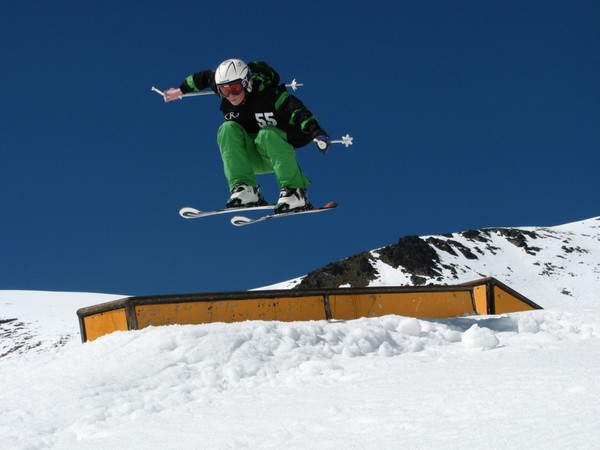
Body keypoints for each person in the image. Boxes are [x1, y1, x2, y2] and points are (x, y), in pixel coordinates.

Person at [164, 59, 330, 214]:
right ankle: (245, 190)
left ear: (247, 83)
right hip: (249, 156)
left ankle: (295, 192)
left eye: (235, 88)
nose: (231, 96)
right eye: (224, 90)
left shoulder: (270, 96)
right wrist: (179, 91)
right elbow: (203, 78)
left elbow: (298, 112)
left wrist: (317, 132)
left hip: (276, 154)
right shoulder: (225, 92)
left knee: (267, 133)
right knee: (227, 128)